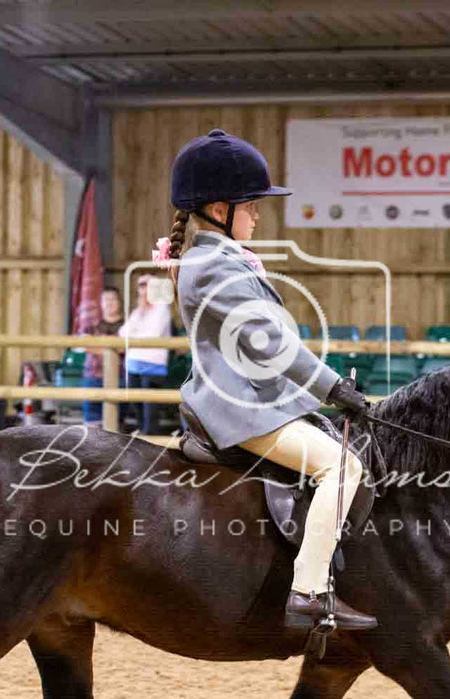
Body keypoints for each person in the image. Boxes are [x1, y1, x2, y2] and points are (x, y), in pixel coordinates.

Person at [160, 128, 375, 634]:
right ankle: (309, 590)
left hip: (259, 398)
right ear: (218, 208)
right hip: (239, 409)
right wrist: (331, 388)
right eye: (251, 205)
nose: (258, 214)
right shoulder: (211, 266)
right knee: (341, 468)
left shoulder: (218, 258)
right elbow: (269, 344)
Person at [117, 274, 172, 435]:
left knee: (150, 407)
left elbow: (154, 334)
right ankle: (143, 433)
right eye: (141, 285)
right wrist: (138, 329)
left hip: (153, 364)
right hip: (133, 363)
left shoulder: (162, 307)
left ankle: (151, 437)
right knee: (137, 404)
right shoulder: (138, 311)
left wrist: (135, 333)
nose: (143, 288)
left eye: (147, 284)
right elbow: (123, 332)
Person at [81, 285, 124, 427]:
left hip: (119, 378)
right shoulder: (92, 325)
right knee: (91, 420)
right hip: (93, 375)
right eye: (106, 300)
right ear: (101, 303)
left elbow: (124, 348)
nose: (109, 303)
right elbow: (85, 345)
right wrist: (111, 350)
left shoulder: (127, 325)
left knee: (115, 420)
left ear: (119, 302)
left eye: (113, 299)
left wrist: (97, 348)